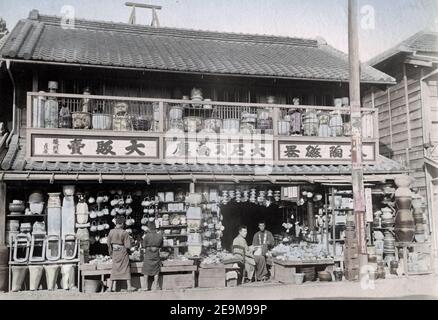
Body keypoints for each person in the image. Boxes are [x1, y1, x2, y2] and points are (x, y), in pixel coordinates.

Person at [106, 216, 135, 292]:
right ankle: (129, 287)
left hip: (115, 252)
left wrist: (111, 253)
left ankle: (110, 288)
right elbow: (128, 246)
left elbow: (108, 243)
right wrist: (132, 243)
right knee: (126, 268)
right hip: (123, 252)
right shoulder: (124, 232)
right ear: (122, 224)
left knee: (114, 269)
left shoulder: (111, 231)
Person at [142, 222, 163, 291]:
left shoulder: (146, 236)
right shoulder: (160, 236)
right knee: (156, 271)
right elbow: (161, 246)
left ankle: (145, 287)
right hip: (156, 255)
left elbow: (144, 246)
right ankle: (156, 286)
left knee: (146, 271)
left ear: (149, 228)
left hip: (148, 254)